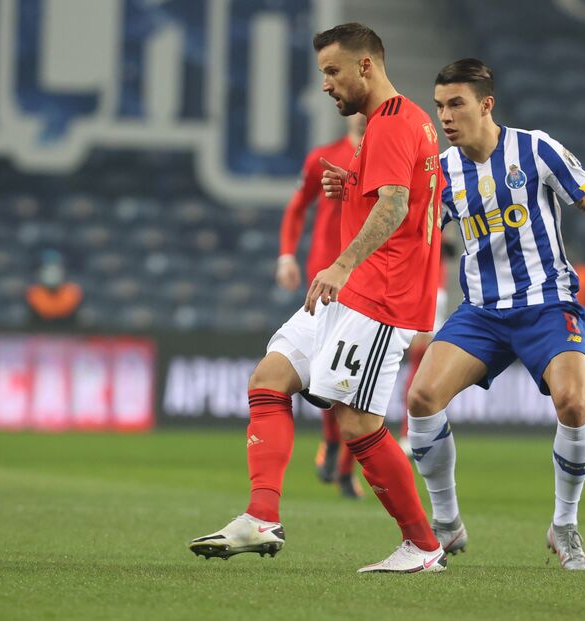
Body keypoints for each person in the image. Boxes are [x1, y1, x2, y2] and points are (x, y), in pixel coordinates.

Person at [190, 23, 447, 574]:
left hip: (378, 296)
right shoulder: (393, 122)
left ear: (365, 66)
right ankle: (262, 516)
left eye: (332, 72)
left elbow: (398, 206)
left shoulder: (397, 123)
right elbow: (395, 195)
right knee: (269, 377)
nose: (326, 84)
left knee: (356, 426)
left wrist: (342, 262)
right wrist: (349, 187)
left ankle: (424, 547)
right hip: (350, 292)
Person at [403, 59, 585, 571]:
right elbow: (419, 239)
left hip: (548, 304)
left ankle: (564, 526)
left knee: (573, 403)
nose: (445, 117)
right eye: (439, 106)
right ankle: (446, 524)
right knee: (421, 397)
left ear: (486, 104)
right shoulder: (443, 170)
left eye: (455, 104)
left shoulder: (536, 148)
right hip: (481, 310)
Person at [277, 113, 367, 499]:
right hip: (325, 276)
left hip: (365, 277)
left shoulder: (387, 158)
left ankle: (342, 461)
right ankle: (335, 448)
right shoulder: (323, 158)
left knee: (353, 379)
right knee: (325, 372)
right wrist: (286, 256)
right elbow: (297, 206)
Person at [25, 250, 83, 328]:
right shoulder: (33, 293)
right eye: (48, 271)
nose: (52, 275)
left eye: (55, 272)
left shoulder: (73, 292)